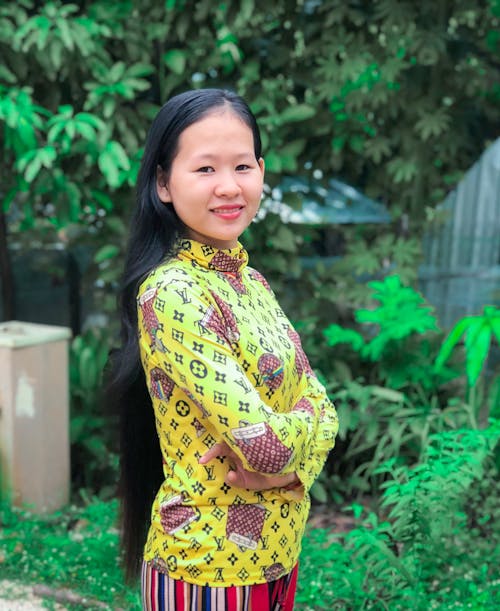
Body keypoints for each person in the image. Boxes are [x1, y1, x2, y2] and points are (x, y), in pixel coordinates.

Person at [107, 88, 339, 610]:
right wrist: (300, 439)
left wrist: (292, 462)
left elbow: (324, 410)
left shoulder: (252, 282)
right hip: (206, 569)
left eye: (242, 166)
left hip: (280, 553)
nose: (229, 187)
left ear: (261, 169)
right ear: (164, 183)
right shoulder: (172, 293)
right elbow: (267, 444)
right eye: (205, 170)